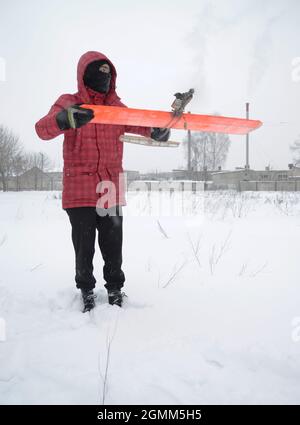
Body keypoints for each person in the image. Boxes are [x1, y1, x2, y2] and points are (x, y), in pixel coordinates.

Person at [35, 51, 170, 312]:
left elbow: (142, 125)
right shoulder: (69, 102)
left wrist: (157, 131)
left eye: (109, 76)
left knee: (112, 245)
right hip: (79, 188)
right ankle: (86, 290)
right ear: (84, 76)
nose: (105, 81)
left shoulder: (115, 109)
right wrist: (65, 119)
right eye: (99, 75)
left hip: (109, 189)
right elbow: (42, 129)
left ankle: (115, 289)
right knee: (84, 247)